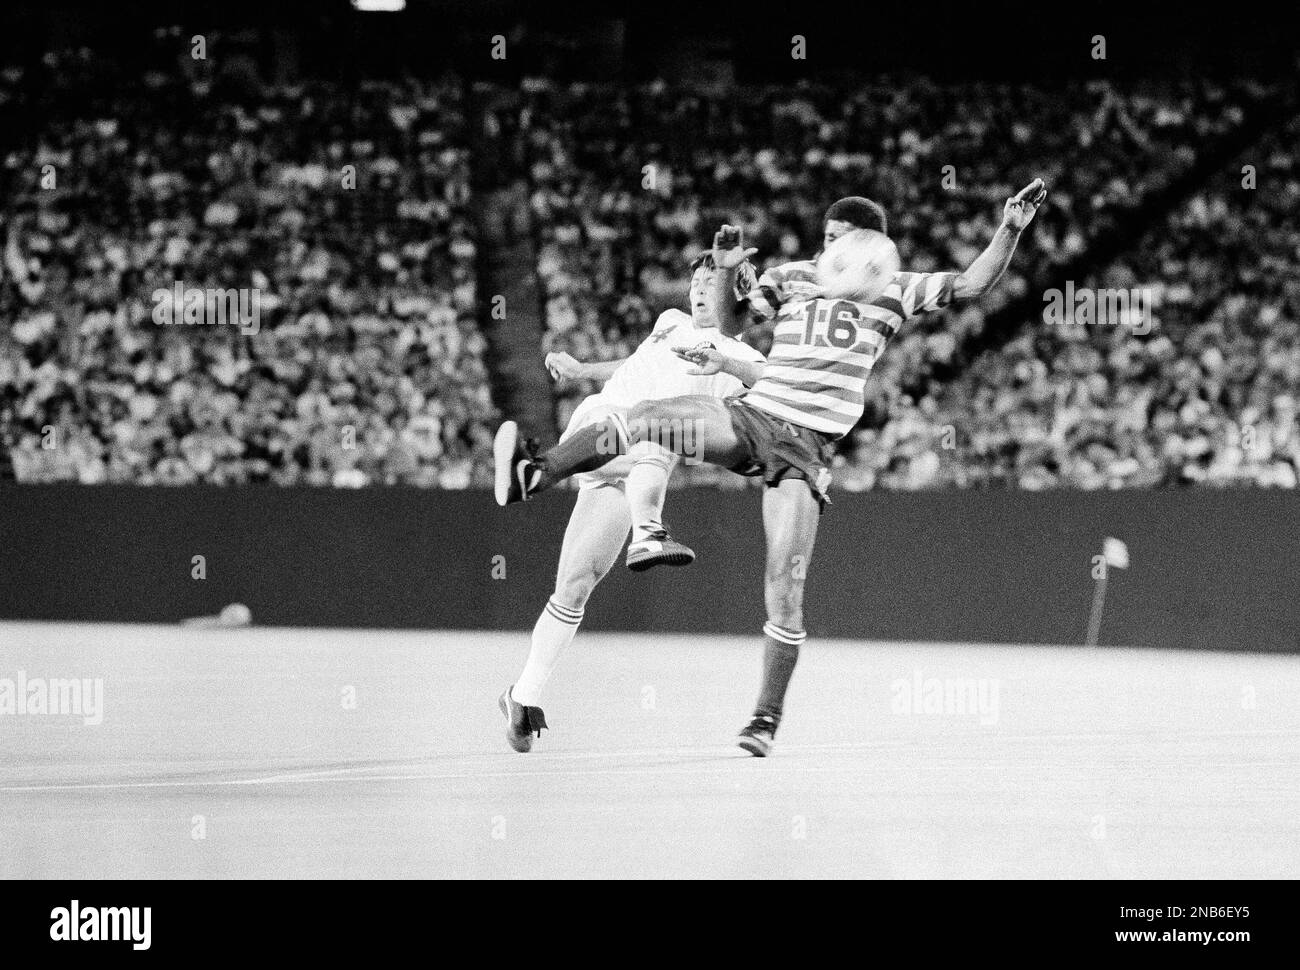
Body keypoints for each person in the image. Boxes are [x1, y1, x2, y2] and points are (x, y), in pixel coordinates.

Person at [493, 179, 1048, 756]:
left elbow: (972, 283)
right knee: (652, 417)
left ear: (870, 246)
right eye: (826, 238)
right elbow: (734, 321)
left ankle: (764, 717)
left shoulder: (898, 289)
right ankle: (539, 471)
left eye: (842, 240)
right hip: (753, 421)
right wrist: (731, 271)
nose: (829, 250)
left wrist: (1009, 228)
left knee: (786, 582)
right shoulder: (794, 277)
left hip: (802, 449)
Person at [498, 252, 766, 752]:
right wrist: (582, 372)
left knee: (575, 587)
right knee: (658, 432)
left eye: (712, 281)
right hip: (605, 425)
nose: (699, 288)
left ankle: (522, 695)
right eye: (696, 280)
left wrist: (728, 362)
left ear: (737, 291)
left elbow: (762, 380)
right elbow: (636, 363)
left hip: (631, 472)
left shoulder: (737, 356)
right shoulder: (670, 322)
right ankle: (554, 482)